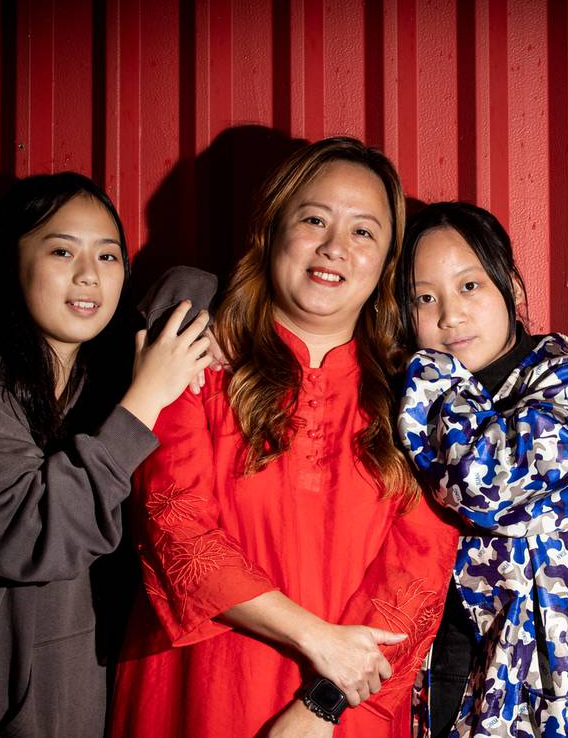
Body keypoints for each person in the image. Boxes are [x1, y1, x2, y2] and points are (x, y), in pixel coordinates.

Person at [109, 137, 459, 738]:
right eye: (315, 219)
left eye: (363, 232)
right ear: (272, 230)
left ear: (386, 263)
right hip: (202, 691)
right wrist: (315, 639)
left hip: (346, 705)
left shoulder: (419, 399)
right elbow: (174, 523)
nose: (333, 248)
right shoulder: (195, 359)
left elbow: (418, 572)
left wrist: (324, 702)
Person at [0, 172, 214, 737]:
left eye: (109, 255)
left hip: (86, 694)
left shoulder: (102, 368)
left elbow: (196, 282)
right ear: (10, 262)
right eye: (62, 250)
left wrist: (191, 330)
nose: (88, 274)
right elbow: (30, 534)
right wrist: (144, 400)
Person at [395, 202, 568, 738]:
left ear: (511, 287)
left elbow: (485, 483)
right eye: (425, 297)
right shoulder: (414, 407)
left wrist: (429, 369)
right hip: (450, 687)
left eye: (469, 286)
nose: (449, 315)